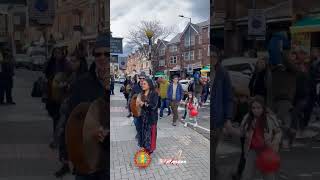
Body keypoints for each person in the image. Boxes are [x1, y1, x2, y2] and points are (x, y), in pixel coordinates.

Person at [66, 33, 109, 180]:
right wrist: (67, 153)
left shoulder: (121, 87)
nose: (102, 57)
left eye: (107, 53)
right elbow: (69, 118)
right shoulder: (81, 83)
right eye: (98, 54)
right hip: (85, 156)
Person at [54, 49, 88, 178]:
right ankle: (66, 165)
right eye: (71, 60)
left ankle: (76, 166)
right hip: (68, 110)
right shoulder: (71, 73)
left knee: (75, 141)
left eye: (74, 61)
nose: (71, 63)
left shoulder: (84, 77)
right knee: (64, 138)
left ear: (80, 62)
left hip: (78, 114)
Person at [229, 96, 282, 180]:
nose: (256, 110)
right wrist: (231, 129)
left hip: (266, 150)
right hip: (252, 151)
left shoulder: (269, 118)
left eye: (258, 108)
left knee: (268, 176)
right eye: (253, 108)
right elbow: (241, 132)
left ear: (263, 108)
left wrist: (275, 142)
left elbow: (278, 132)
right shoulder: (247, 118)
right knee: (247, 175)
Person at [211, 51, 234, 177]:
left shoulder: (223, 73)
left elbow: (228, 97)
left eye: (214, 56)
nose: (211, 58)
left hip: (217, 119)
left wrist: (228, 118)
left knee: (212, 149)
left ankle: (213, 172)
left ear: (218, 58)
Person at [136, 78, 159, 154]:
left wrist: (144, 104)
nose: (142, 85)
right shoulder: (142, 94)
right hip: (143, 117)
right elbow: (141, 107)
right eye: (142, 84)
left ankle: (150, 150)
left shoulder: (154, 93)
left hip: (151, 118)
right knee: (144, 133)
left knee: (150, 134)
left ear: (149, 85)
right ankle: (145, 147)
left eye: (144, 84)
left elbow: (154, 106)